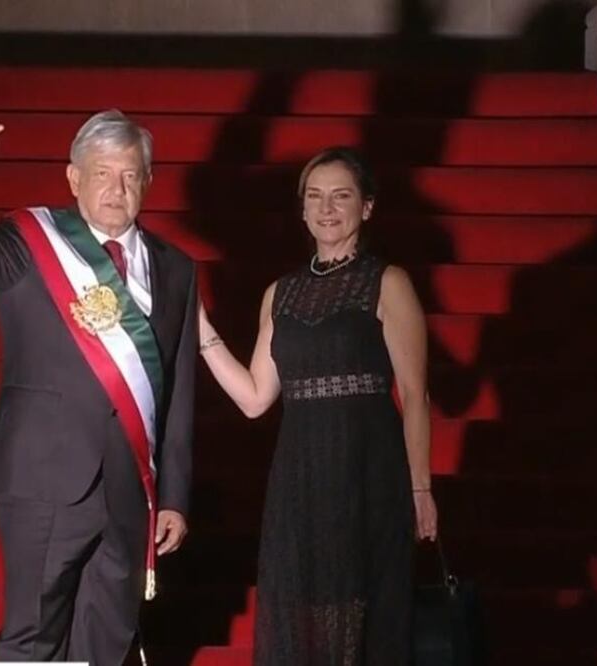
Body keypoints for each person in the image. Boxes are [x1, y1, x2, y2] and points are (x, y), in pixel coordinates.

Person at [0, 90, 197, 664]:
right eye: (102, 173)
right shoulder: (31, 244)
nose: (116, 188)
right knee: (34, 636)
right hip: (43, 478)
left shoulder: (176, 268)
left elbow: (177, 390)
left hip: (130, 488)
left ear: (148, 182)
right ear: (74, 178)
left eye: (131, 175)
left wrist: (172, 493)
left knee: (107, 637)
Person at [197, 147, 438, 665]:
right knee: (307, 615)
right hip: (300, 477)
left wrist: (421, 488)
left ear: (367, 207)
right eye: (315, 197)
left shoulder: (387, 282)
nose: (327, 208)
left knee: (364, 616)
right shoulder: (279, 294)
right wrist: (201, 331)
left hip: (368, 471)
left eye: (341, 196)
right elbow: (256, 398)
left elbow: (415, 395)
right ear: (302, 210)